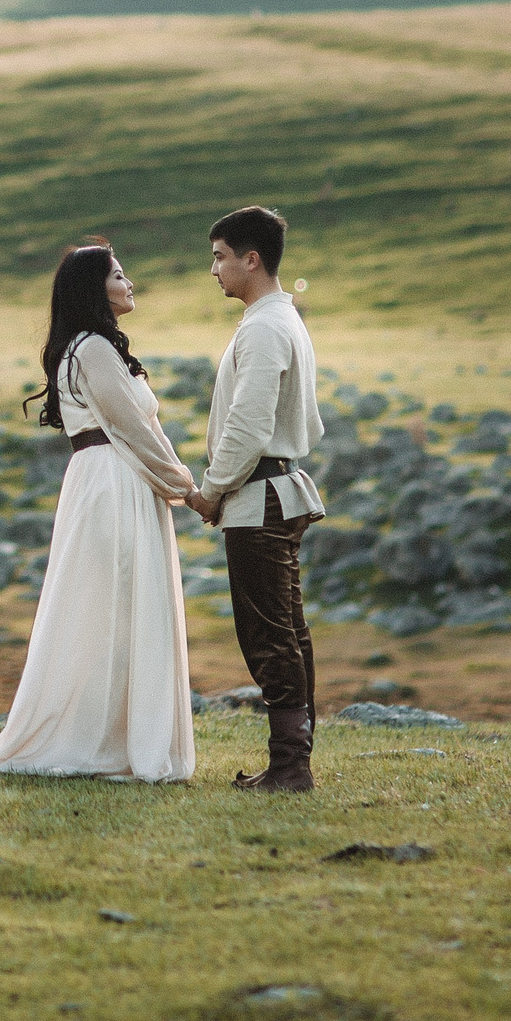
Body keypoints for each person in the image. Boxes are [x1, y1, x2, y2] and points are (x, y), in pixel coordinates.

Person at [0, 239, 199, 783]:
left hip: (111, 478)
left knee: (115, 605)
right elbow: (131, 427)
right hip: (114, 479)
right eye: (118, 275)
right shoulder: (91, 349)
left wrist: (177, 483)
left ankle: (116, 735)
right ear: (94, 288)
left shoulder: (89, 347)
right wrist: (188, 488)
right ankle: (104, 740)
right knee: (115, 603)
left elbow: (142, 426)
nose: (128, 283)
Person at [190, 205, 328, 793]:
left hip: (259, 498)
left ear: (252, 259)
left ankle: (291, 766)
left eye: (221, 257)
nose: (214, 269)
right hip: (275, 490)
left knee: (268, 634)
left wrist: (212, 490)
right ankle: (290, 761)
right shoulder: (279, 319)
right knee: (287, 629)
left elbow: (249, 425)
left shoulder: (265, 327)